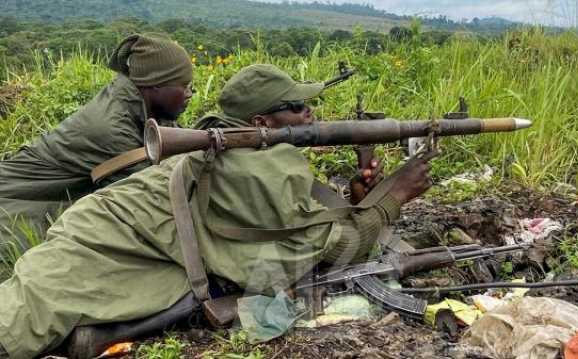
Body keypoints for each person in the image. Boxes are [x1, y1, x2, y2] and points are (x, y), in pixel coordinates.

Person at [0, 64, 434, 359]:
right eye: (298, 107)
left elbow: (293, 222)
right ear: (262, 123)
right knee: (17, 323)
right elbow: (337, 247)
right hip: (105, 242)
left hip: (126, 237)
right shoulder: (259, 170)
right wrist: (395, 194)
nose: (310, 113)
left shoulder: (230, 140)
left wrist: (355, 199)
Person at [0, 33, 193, 246]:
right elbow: (154, 196)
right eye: (184, 86)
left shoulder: (143, 105)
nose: (189, 93)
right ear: (156, 84)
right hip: (16, 199)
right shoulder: (113, 128)